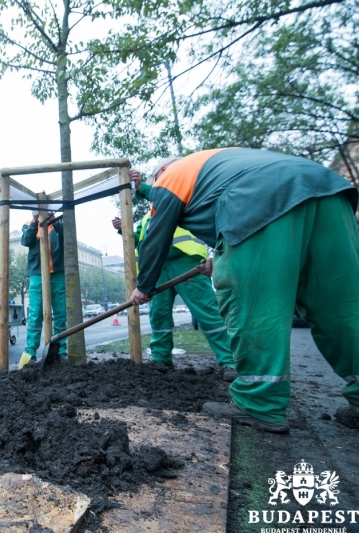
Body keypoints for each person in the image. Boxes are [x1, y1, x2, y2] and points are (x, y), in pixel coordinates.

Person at [128, 148, 359, 433]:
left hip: (263, 200)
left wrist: (143, 286)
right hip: (328, 193)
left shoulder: (169, 179)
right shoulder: (217, 164)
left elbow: (156, 236)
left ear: (160, 173)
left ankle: (258, 404)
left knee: (254, 304)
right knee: (341, 305)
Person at [114, 163, 236, 382]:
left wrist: (141, 187)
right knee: (158, 315)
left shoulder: (184, 193)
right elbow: (141, 241)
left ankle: (230, 361)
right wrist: (124, 230)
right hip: (158, 269)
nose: (164, 175)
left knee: (206, 311)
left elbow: (166, 197)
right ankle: (161, 359)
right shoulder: (146, 217)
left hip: (185, 263)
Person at [18, 211, 67, 369]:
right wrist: (34, 221)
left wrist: (56, 222)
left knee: (60, 313)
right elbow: (26, 241)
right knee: (35, 313)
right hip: (37, 274)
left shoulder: (59, 224)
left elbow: (68, 239)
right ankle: (30, 352)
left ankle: (61, 350)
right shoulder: (29, 225)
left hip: (58, 274)